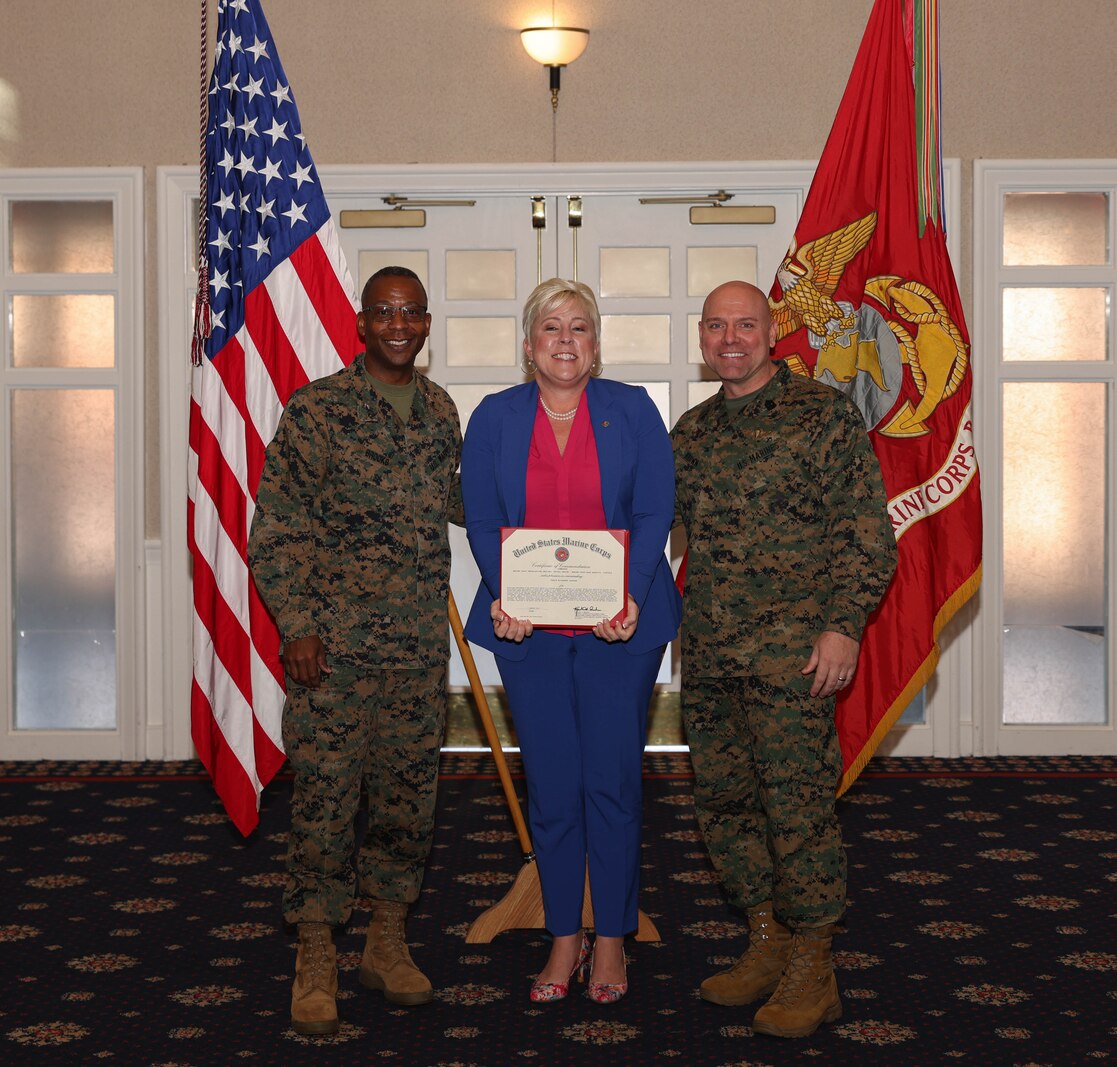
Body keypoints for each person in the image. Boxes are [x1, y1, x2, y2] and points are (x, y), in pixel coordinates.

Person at [671, 280, 897, 1039]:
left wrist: (842, 626)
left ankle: (813, 962)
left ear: (771, 331)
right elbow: (641, 523)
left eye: (744, 324)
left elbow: (866, 534)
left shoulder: (822, 416)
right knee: (726, 805)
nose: (729, 337)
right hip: (709, 654)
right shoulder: (690, 432)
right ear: (700, 337)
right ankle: (764, 937)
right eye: (715, 326)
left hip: (793, 658)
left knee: (796, 809)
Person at [248, 266, 461, 1035]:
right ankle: (314, 955)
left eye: (410, 312)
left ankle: (386, 941)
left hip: (413, 652)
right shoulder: (318, 411)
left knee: (408, 804)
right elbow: (276, 528)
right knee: (326, 804)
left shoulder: (440, 412)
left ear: (426, 324)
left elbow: (469, 502)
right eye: (383, 312)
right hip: (331, 652)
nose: (398, 324)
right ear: (362, 324)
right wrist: (298, 623)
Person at [461, 278, 681, 1004]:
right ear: (528, 346)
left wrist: (633, 593)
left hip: (622, 624)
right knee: (552, 788)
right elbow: (483, 514)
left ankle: (611, 938)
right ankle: (563, 936)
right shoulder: (494, 416)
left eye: (578, 327)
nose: (564, 339)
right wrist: (507, 594)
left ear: (596, 344)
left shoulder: (633, 409)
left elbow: (653, 510)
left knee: (611, 783)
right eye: (550, 327)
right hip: (529, 633)